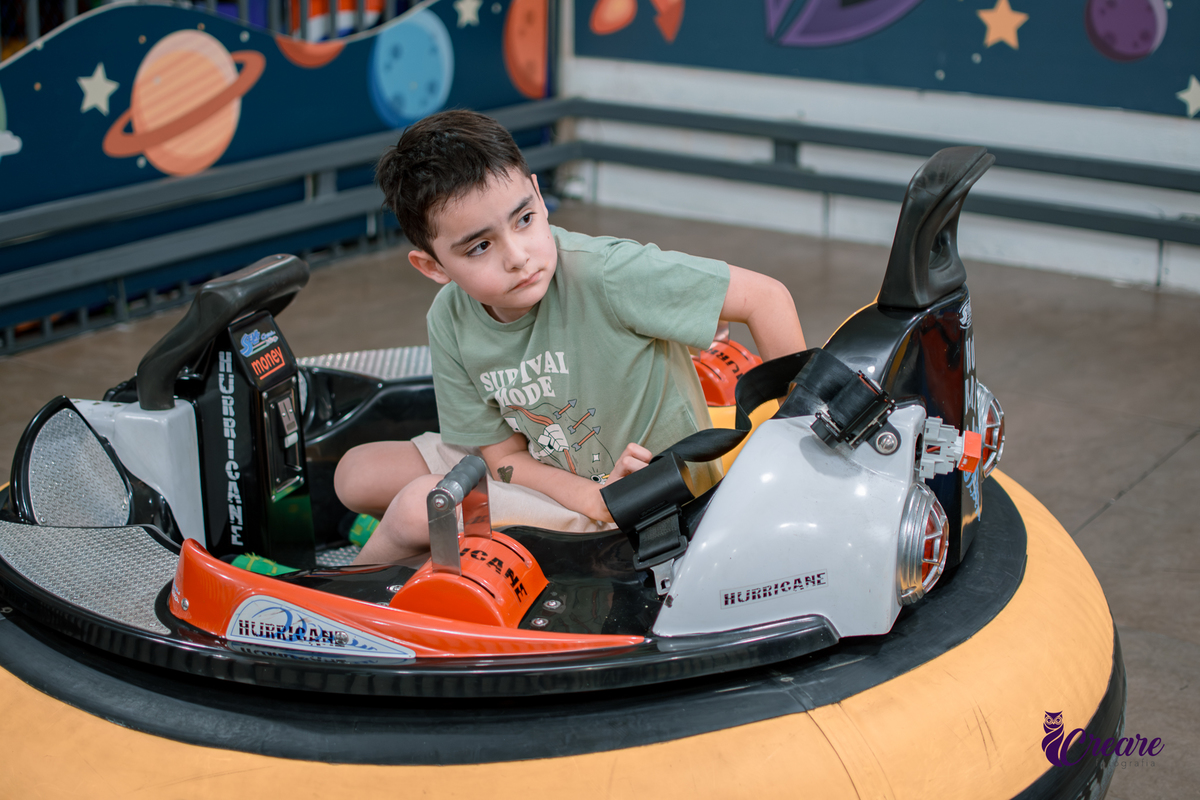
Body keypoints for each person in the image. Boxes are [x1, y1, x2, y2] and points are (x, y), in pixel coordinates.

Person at [336, 109, 806, 564]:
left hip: (641, 500)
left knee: (420, 504)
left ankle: (328, 607)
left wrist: (799, 457)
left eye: (523, 219)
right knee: (355, 474)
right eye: (480, 246)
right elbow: (502, 456)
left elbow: (766, 298)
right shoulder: (450, 317)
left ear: (539, 197)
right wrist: (585, 494)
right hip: (560, 479)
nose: (518, 256)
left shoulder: (606, 273)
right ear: (433, 267)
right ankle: (414, 546)